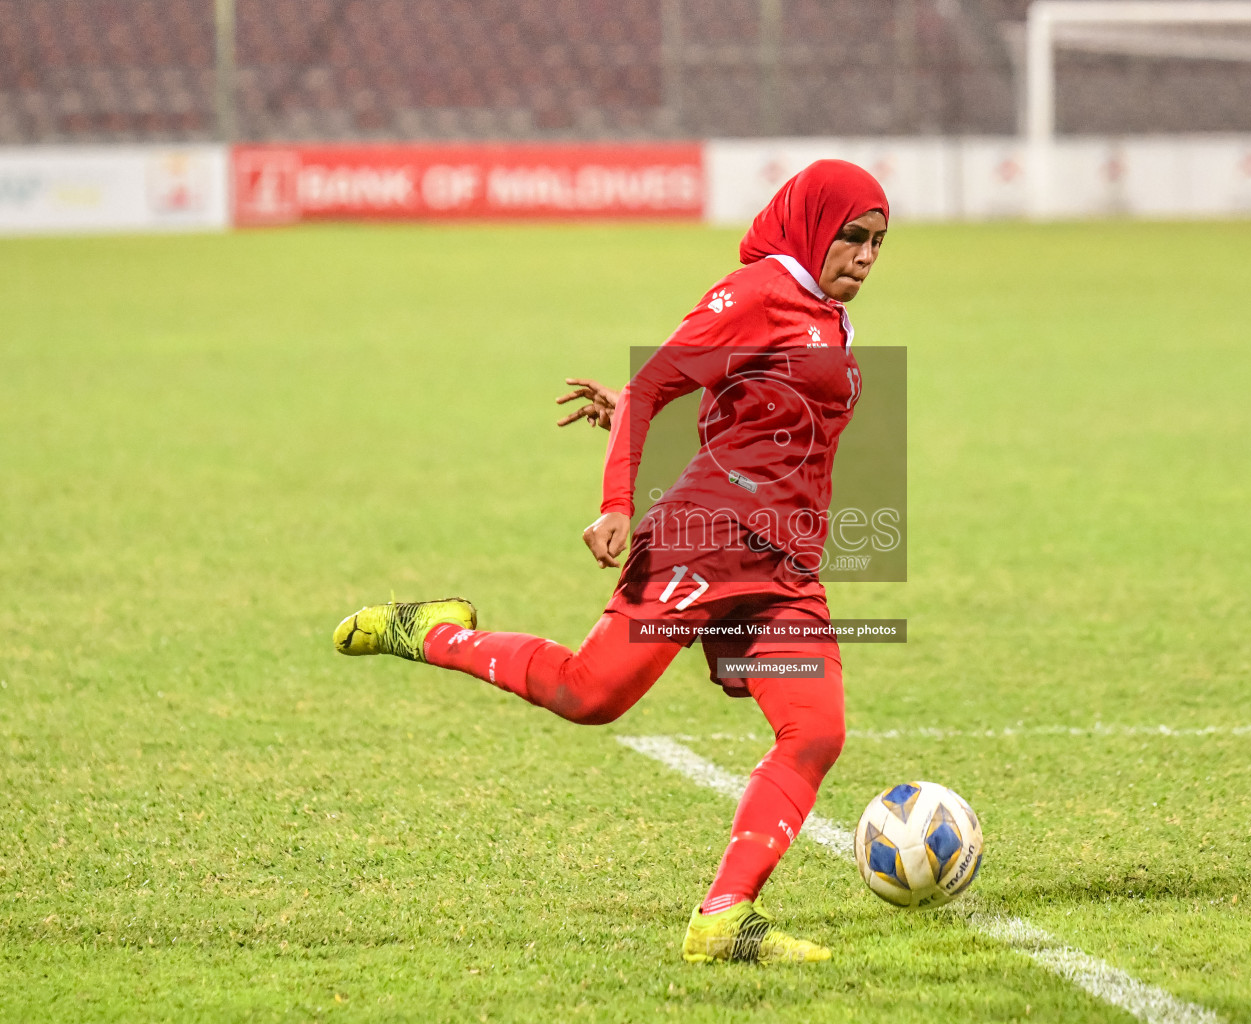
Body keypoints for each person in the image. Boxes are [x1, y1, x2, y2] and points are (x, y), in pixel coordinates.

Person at [331, 160, 889, 964]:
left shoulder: (828, 317)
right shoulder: (763, 290)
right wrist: (619, 500)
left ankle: (723, 917)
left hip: (785, 566)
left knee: (816, 730)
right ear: (813, 224)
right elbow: (651, 383)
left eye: (878, 242)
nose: (867, 255)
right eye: (853, 237)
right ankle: (432, 631)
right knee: (589, 695)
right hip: (706, 543)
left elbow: (762, 419)